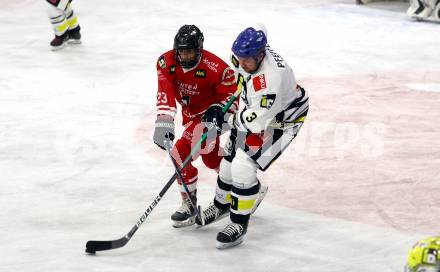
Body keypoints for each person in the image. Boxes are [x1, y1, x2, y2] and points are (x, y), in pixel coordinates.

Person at [195, 27, 309, 249]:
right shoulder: (247, 57)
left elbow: (256, 122)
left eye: (246, 60)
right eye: (239, 57)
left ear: (260, 55)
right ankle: (221, 205)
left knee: (243, 164)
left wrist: (224, 121)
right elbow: (241, 81)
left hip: (282, 119)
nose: (241, 63)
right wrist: (220, 107)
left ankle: (238, 224)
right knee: (228, 158)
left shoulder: (270, 81)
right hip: (258, 110)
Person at [153, 25, 237, 228]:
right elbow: (165, 91)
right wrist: (164, 120)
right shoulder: (166, 62)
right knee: (210, 158)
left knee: (180, 154)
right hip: (191, 115)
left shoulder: (217, 68)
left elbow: (232, 97)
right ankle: (242, 186)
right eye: (181, 51)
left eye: (189, 51)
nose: (184, 55)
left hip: (214, 116)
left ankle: (189, 204)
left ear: (199, 50)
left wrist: (219, 111)